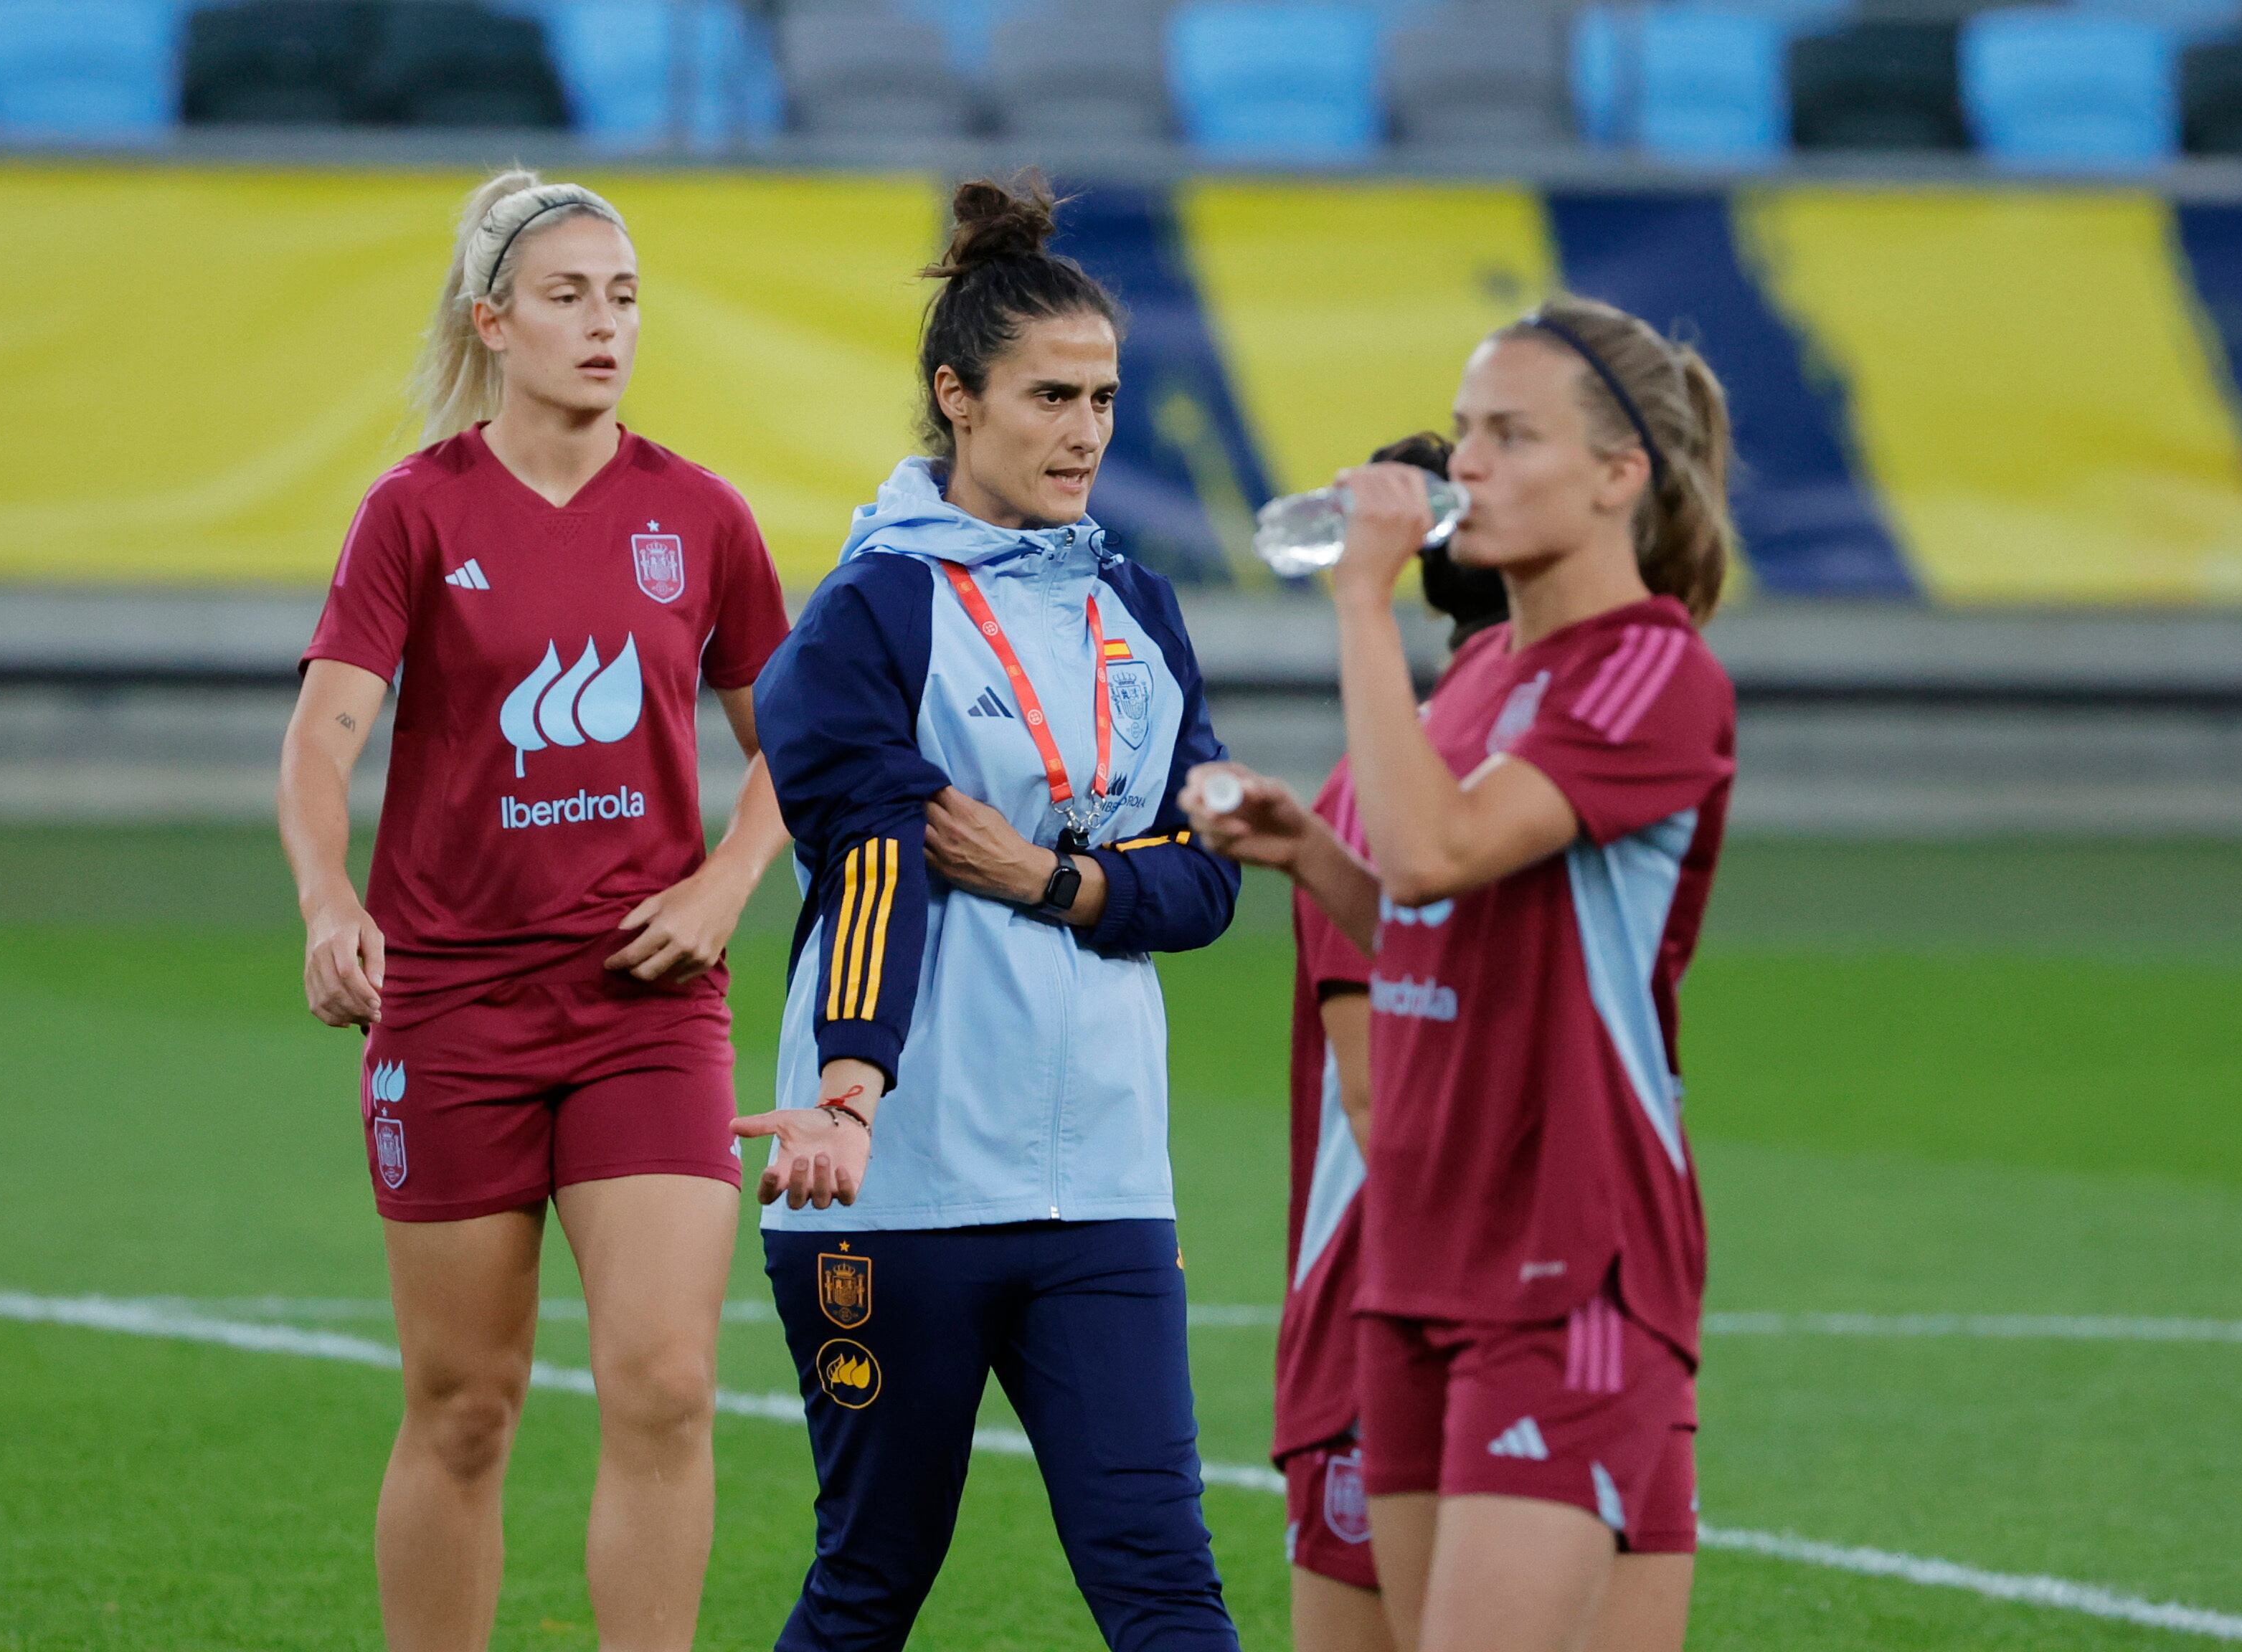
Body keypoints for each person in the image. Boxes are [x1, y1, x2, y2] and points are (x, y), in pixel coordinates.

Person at [276, 169, 793, 1652]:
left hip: (645, 1012)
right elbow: (320, 737)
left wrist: (726, 877)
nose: (604, 324)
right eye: (569, 296)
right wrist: (327, 902)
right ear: (492, 321)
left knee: (666, 1384)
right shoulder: (414, 515)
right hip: (451, 1009)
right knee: (462, 1407)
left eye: (623, 297)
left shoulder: (697, 517)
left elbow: (793, 752)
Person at [734, 174, 1245, 1652]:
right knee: (871, 1582)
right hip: (896, 1171)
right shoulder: (867, 614)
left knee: (1164, 1579)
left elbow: (1203, 878)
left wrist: (1058, 882)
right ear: (956, 397)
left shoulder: (1137, 607)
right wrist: (849, 1085)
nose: (1087, 430)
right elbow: (879, 864)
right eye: (1048, 396)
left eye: (1103, 397)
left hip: (1106, 1173)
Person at [1186, 294, 1739, 1652]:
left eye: (1510, 435)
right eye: (1469, 428)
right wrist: (1316, 857)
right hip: (1422, 1253)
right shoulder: (1489, 671)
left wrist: (1362, 600)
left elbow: (1438, 853)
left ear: (1622, 478)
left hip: (1569, 1260)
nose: (1464, 466)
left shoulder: (1649, 670)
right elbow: (1431, 922)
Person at [1273, 435, 1502, 1652]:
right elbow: (1379, 1107)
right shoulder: (1395, 781)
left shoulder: (1524, 765)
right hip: (1395, 1312)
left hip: (1492, 1313)